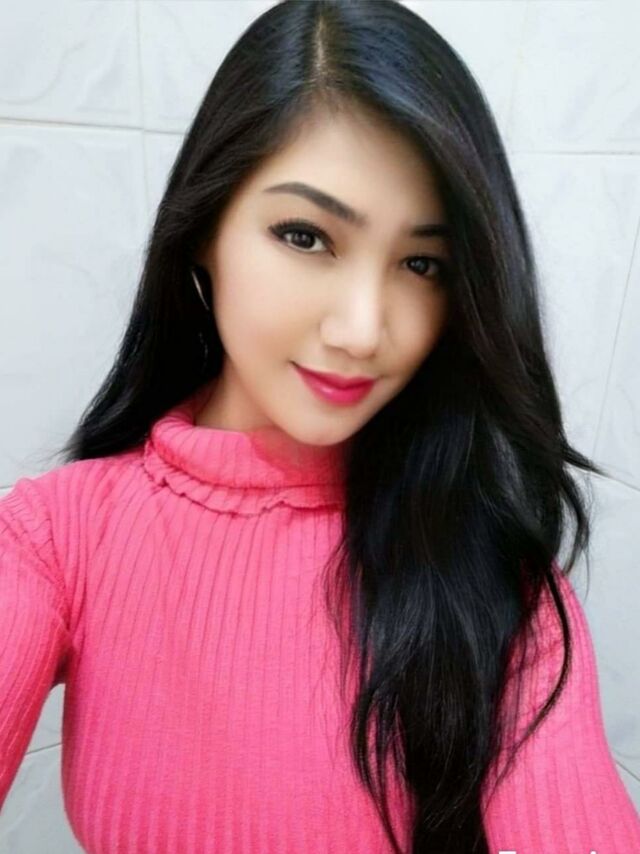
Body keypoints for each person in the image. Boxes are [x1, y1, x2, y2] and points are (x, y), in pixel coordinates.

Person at [1, 1, 639, 852]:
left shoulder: (496, 588)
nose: (363, 330)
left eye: (423, 264)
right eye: (305, 236)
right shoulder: (55, 539)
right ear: (204, 230)